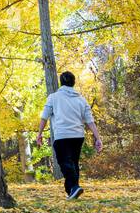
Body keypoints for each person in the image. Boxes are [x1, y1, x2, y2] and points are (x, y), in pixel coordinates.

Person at [36, 70, 102, 200]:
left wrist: (39, 134)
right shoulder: (81, 100)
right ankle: (71, 190)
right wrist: (98, 138)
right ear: (74, 83)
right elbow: (90, 121)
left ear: (61, 82)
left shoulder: (53, 97)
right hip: (78, 136)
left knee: (65, 162)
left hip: (62, 135)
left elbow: (44, 117)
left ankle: (74, 188)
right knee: (73, 163)